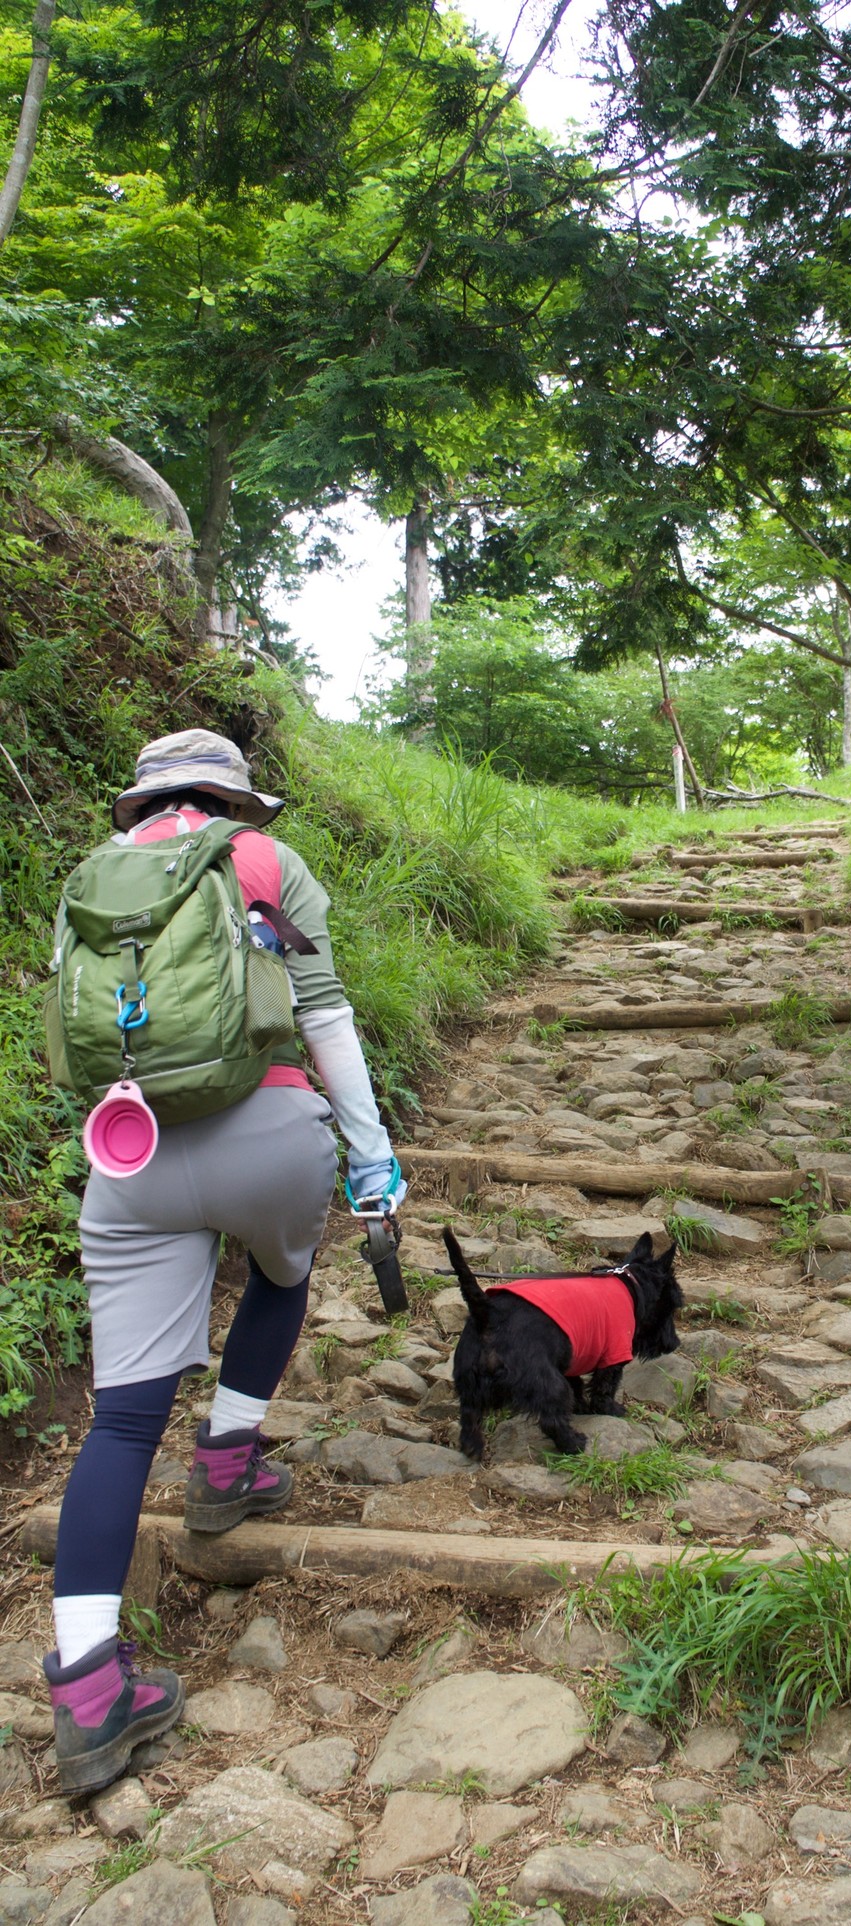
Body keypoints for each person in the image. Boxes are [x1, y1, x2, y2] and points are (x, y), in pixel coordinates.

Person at [42, 729, 403, 1794]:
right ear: (236, 798)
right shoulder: (264, 861)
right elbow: (323, 1014)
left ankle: (90, 1689)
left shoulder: (90, 881)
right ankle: (226, 1461)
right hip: (268, 1131)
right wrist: (373, 1159)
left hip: (130, 1149)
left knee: (117, 1417)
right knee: (284, 1277)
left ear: (145, 799)